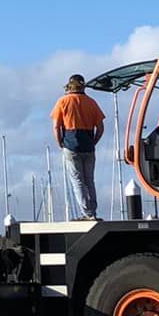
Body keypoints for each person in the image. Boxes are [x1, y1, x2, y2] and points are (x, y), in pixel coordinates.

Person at [51, 72, 104, 218]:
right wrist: (94, 142)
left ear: (69, 86)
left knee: (77, 181)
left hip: (71, 145)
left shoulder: (62, 102)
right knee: (89, 181)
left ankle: (87, 213)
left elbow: (56, 127)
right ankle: (92, 211)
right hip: (88, 145)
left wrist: (61, 144)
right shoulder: (91, 102)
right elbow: (100, 128)